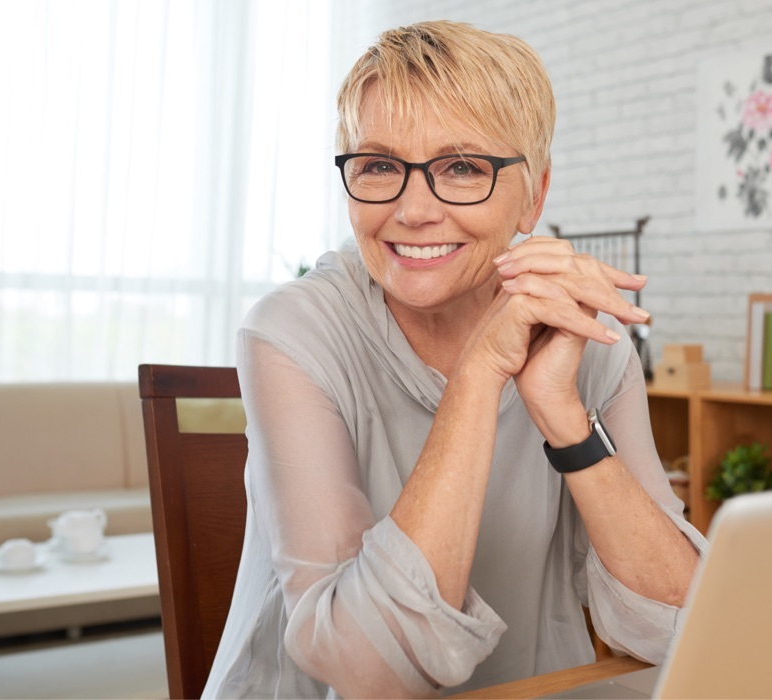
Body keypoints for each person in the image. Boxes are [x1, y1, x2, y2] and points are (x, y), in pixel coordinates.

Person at [204, 20, 706, 699]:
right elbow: (368, 672)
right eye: (379, 165)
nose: (413, 210)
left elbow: (682, 629)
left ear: (535, 192)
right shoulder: (292, 331)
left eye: (462, 168)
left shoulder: (579, 338)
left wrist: (565, 417)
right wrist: (477, 375)